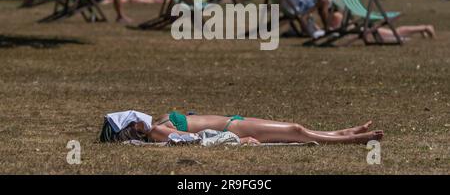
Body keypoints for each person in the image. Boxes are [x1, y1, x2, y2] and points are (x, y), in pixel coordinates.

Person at [100, 111, 384, 145]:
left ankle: (340, 132)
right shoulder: (157, 131)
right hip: (235, 128)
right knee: (296, 130)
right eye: (133, 119)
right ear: (133, 127)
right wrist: (240, 140)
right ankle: (349, 139)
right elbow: (198, 138)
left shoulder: (157, 121)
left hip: (234, 121)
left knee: (294, 130)